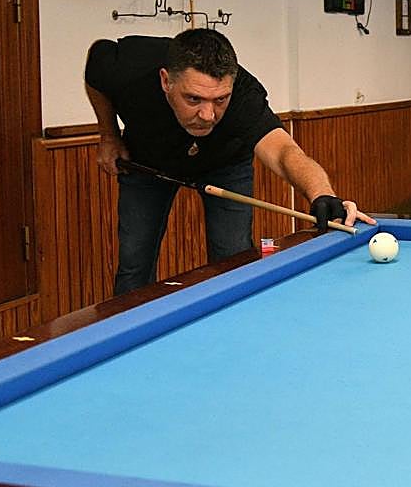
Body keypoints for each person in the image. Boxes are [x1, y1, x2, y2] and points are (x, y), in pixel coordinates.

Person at [85, 28, 375, 295]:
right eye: (193, 99)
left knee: (233, 257)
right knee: (134, 261)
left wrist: (322, 194)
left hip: (225, 164)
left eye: (220, 100)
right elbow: (95, 68)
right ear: (165, 80)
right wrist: (108, 135)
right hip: (148, 163)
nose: (208, 115)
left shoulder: (244, 95)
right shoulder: (130, 67)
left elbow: (284, 151)